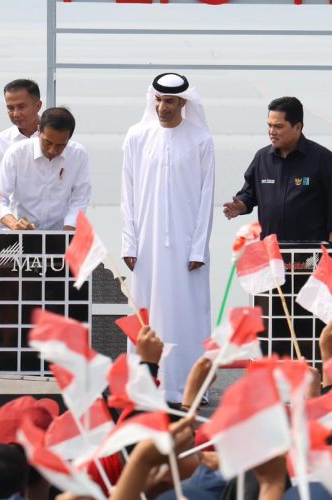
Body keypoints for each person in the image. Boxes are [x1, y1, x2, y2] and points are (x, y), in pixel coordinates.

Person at [120, 72, 215, 401]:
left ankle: (186, 387)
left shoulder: (201, 140)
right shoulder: (136, 136)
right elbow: (127, 194)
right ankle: (146, 385)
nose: (163, 107)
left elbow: (206, 198)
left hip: (188, 247)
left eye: (170, 101)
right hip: (145, 246)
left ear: (183, 103)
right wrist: (129, 243)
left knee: (187, 314)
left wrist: (199, 248)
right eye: (158, 100)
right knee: (146, 311)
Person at [223, 96, 332, 244]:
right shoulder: (262, 158)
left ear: (298, 127)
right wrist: (241, 205)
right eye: (269, 125)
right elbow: (249, 194)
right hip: (271, 254)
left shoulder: (324, 160)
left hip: (310, 256)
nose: (271, 131)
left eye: (278, 126)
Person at [0, 107, 91, 231]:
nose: (52, 150)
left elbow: (80, 200)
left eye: (60, 145)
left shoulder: (78, 155)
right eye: (47, 142)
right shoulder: (16, 153)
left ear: (69, 139)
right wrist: (14, 224)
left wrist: (66, 235)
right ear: (38, 131)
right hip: (20, 235)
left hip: (60, 234)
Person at [0, 79, 42, 177]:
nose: (16, 114)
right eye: (10, 108)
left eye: (21, 107)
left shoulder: (55, 137)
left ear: (38, 106)